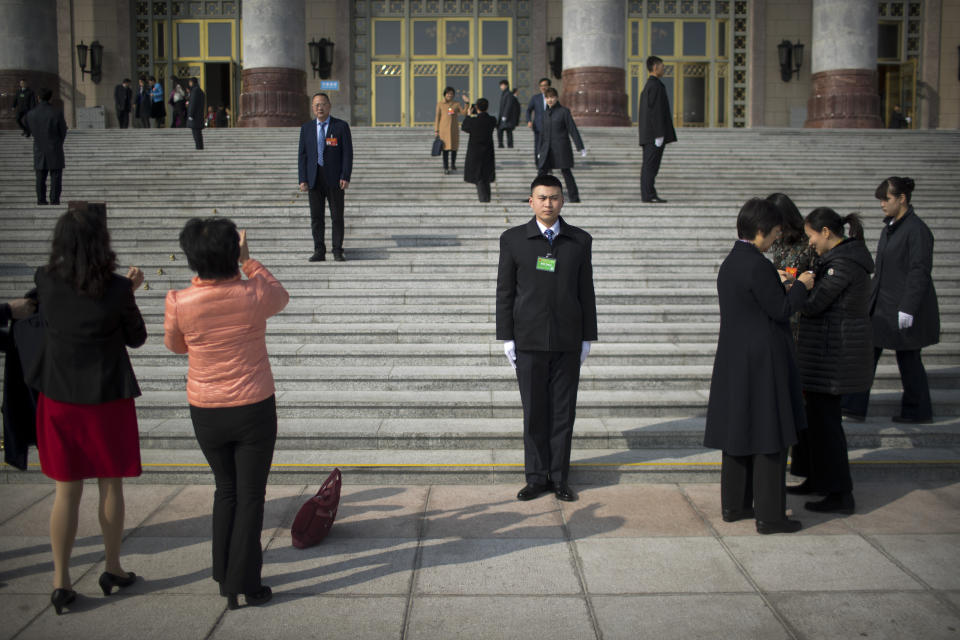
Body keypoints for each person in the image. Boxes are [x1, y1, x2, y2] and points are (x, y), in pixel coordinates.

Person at [26, 203, 146, 614]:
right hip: (107, 397)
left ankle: (61, 580)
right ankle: (112, 566)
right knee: (110, 484)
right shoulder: (115, 288)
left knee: (66, 489)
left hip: (59, 397)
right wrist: (130, 290)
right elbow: (137, 337)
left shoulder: (45, 279)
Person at [164, 218, 289, 610]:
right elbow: (281, 297)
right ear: (232, 252)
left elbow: (176, 347)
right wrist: (249, 262)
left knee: (226, 489)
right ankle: (245, 582)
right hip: (253, 405)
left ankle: (223, 575)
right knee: (251, 495)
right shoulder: (253, 294)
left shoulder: (178, 301)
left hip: (206, 408)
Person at [703, 198, 815, 535]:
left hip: (735, 360)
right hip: (763, 361)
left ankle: (734, 505)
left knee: (738, 433)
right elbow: (781, 310)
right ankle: (770, 515)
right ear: (762, 232)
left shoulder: (732, 262)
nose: (777, 239)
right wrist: (800, 287)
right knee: (770, 434)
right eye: (775, 233)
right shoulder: (758, 265)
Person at [496, 174, 597, 503]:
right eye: (542, 197)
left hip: (567, 341)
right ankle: (536, 476)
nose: (548, 203)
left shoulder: (579, 240)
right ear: (531, 201)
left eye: (554, 197)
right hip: (529, 341)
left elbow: (586, 291)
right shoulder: (513, 240)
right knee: (535, 412)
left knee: (563, 413)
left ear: (562, 201)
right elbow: (505, 293)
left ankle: (559, 477)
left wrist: (587, 337)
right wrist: (506, 338)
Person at [790, 208, 874, 515]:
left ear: (827, 232)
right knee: (815, 425)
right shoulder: (833, 261)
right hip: (823, 356)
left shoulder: (843, 265)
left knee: (828, 428)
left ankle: (840, 493)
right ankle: (817, 479)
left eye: (811, 235)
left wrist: (797, 287)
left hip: (833, 359)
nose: (810, 242)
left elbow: (813, 304)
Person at [844, 177, 939, 424]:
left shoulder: (917, 230)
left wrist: (908, 307)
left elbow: (919, 271)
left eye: (886, 199)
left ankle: (918, 410)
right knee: (868, 354)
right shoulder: (892, 227)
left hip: (900, 307)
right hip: (881, 307)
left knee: (908, 360)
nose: (882, 204)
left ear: (902, 198)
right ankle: (854, 406)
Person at [298, 92, 353, 262]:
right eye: (316, 105)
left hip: (335, 179)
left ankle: (337, 249)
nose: (319, 108)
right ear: (313, 108)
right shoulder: (306, 128)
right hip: (314, 178)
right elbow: (303, 155)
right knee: (316, 217)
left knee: (337, 216)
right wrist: (303, 178)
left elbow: (347, 154)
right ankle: (319, 250)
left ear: (329, 106)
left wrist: (345, 175)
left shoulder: (340, 126)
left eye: (322, 104)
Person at [637, 55, 677, 203]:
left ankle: (650, 193)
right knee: (650, 165)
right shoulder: (654, 86)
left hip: (651, 135)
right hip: (653, 136)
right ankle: (647, 195)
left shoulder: (652, 85)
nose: (663, 68)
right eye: (661, 65)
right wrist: (659, 134)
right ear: (655, 67)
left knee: (652, 166)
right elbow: (655, 112)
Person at [536, 87, 585, 203]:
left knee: (566, 172)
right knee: (541, 172)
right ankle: (535, 197)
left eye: (552, 97)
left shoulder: (564, 111)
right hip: (547, 149)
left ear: (557, 98)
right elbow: (542, 134)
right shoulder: (544, 114)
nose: (550, 100)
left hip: (561, 148)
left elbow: (572, 129)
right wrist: (539, 150)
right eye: (547, 98)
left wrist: (580, 146)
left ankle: (574, 197)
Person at [26, 88, 67, 206]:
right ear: (50, 98)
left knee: (40, 176)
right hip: (54, 147)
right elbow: (63, 131)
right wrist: (58, 142)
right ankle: (54, 199)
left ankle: (41, 199)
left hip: (38, 148)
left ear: (38, 98)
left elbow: (28, 129)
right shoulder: (56, 112)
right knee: (56, 176)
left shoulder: (31, 113)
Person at [461, 97, 497, 202]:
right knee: (485, 177)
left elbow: (464, 127)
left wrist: (468, 114)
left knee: (480, 177)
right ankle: (486, 198)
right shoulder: (491, 120)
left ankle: (483, 199)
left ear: (476, 107)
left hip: (475, 152)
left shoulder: (473, 121)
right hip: (488, 152)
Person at [434, 86, 468, 175]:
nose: (450, 95)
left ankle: (453, 164)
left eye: (451, 94)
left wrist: (466, 103)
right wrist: (436, 130)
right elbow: (437, 117)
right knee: (445, 149)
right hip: (443, 130)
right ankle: (446, 166)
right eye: (448, 93)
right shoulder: (440, 104)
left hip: (454, 130)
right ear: (445, 94)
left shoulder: (456, 104)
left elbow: (464, 113)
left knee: (454, 148)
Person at [526, 77, 551, 163]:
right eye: (541, 86)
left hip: (550, 126)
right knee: (538, 145)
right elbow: (528, 110)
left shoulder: (552, 99)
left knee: (549, 146)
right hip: (538, 126)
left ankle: (548, 163)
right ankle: (538, 162)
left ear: (549, 86)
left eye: (545, 85)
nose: (543, 87)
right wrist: (529, 120)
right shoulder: (535, 98)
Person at [496, 79, 520, 149]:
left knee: (508, 131)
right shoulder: (504, 93)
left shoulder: (509, 94)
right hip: (502, 116)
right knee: (501, 130)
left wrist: (505, 115)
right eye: (500, 85)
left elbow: (508, 105)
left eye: (502, 85)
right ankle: (501, 144)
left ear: (506, 85)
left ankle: (509, 145)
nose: (501, 87)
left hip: (506, 117)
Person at [186, 77, 205, 150]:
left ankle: (199, 148)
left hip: (195, 116)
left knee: (196, 134)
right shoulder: (200, 91)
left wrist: (190, 114)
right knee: (198, 133)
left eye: (190, 82)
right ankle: (199, 147)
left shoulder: (195, 91)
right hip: (199, 115)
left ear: (192, 82)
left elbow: (192, 103)